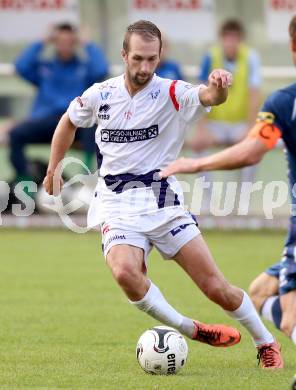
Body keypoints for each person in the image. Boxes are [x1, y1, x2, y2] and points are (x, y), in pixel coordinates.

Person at [43, 20, 283, 369]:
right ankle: (190, 328)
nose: (144, 67)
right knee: (126, 273)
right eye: (137, 58)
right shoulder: (101, 94)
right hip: (117, 203)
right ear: (123, 55)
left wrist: (219, 86)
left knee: (216, 287)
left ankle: (266, 342)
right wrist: (53, 169)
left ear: (159, 57)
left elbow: (208, 96)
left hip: (163, 202)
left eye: (151, 60)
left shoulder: (171, 92)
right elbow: (68, 121)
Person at [160, 14, 296, 352]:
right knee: (263, 291)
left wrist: (196, 163)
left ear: (292, 47)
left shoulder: (286, 102)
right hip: (220, 121)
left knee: (290, 313)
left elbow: (252, 152)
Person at [9, 22, 109, 183]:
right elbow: (21, 66)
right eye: (60, 41)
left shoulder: (84, 68)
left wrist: (87, 43)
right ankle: (25, 179)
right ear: (55, 42)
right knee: (16, 134)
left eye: (69, 41)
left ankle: (88, 178)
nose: (65, 46)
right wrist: (42, 41)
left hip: (74, 122)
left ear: (75, 43)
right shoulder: (44, 67)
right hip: (45, 121)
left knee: (95, 128)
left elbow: (101, 69)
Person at [189, 19, 261, 208]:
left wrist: (250, 129)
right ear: (222, 39)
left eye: (235, 38)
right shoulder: (211, 56)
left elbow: (254, 95)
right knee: (198, 146)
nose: (231, 42)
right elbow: (200, 93)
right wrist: (202, 130)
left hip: (239, 124)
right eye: (227, 38)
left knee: (253, 148)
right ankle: (209, 204)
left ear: (240, 39)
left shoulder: (250, 57)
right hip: (215, 124)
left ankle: (242, 206)